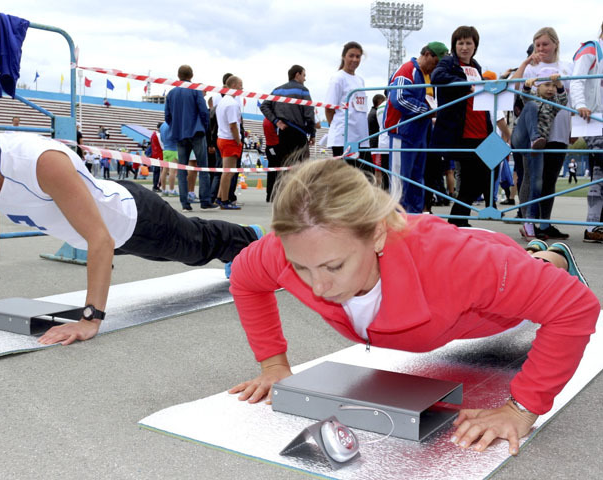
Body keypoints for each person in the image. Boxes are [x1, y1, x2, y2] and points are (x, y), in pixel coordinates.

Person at [227, 158, 598, 456]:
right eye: (300, 268)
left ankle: (551, 256)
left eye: (333, 267)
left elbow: (575, 308)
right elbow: (244, 280)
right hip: (461, 270)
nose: (318, 287)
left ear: (376, 233)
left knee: (534, 276)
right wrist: (273, 365)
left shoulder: (458, 263)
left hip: (488, 266)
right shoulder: (287, 247)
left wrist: (520, 409)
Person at [0, 101, 263, 346]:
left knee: (198, 248)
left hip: (134, 220)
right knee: (195, 243)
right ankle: (246, 244)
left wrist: (90, 318)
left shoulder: (39, 161)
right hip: (109, 233)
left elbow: (100, 239)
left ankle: (253, 241)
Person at [511, 27, 572, 240]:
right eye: (537, 45)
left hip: (559, 130)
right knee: (532, 178)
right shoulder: (531, 68)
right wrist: (526, 62)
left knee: (550, 180)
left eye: (545, 44)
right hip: (532, 134)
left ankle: (544, 224)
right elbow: (516, 89)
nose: (541, 48)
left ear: (555, 44)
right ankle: (528, 223)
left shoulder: (567, 67)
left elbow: (568, 99)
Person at [431, 26, 494, 227]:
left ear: (475, 46)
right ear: (454, 45)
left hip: (482, 129)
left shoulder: (476, 66)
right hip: (462, 131)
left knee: (488, 169)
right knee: (470, 177)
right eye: (460, 43)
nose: (464, 47)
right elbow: (437, 77)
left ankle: (460, 217)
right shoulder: (449, 62)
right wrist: (466, 84)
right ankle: (458, 219)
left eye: (469, 43)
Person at [385, 41, 448, 213]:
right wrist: (426, 110)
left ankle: (413, 218)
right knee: (399, 180)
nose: (436, 68)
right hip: (402, 133)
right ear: (427, 54)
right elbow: (398, 98)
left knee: (416, 179)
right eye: (436, 63)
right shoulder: (407, 70)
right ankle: (395, 221)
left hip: (420, 134)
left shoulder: (427, 76)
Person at [164, 65, 217, 211]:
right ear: (191, 75)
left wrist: (176, 126)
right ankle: (205, 201)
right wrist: (204, 127)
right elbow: (203, 111)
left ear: (178, 75)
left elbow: (167, 116)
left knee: (182, 168)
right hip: (196, 132)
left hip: (180, 134)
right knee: (202, 167)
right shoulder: (195, 90)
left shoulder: (172, 93)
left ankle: (184, 203)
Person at [259, 64, 315, 194]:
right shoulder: (303, 90)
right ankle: (297, 194)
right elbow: (309, 114)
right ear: (297, 74)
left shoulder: (277, 90)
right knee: (301, 166)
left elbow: (264, 106)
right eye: (304, 75)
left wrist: (276, 121)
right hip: (298, 133)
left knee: (284, 166)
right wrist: (312, 133)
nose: (305, 79)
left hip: (283, 133)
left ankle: (283, 194)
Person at [570, 21, 603, 243]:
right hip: (594, 119)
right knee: (599, 172)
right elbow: (577, 79)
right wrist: (580, 105)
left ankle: (595, 225)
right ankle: (593, 225)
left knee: (600, 173)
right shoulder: (592, 47)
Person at [324, 41, 371, 173]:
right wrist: (338, 128)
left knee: (366, 177)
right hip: (343, 139)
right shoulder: (338, 78)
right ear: (344, 56)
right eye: (351, 56)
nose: (355, 59)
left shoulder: (360, 80)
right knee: (344, 179)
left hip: (361, 138)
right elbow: (329, 108)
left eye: (358, 56)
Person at [215, 75, 244, 210]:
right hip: (229, 139)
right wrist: (238, 141)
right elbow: (233, 125)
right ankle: (224, 200)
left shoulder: (223, 101)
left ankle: (220, 197)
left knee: (225, 171)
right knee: (228, 172)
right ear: (233, 86)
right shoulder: (232, 103)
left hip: (222, 137)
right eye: (240, 85)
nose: (242, 88)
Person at [262, 116, 280, 202]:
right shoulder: (274, 120)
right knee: (276, 173)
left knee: (272, 173)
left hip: (269, 146)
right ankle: (272, 194)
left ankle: (269, 194)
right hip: (274, 146)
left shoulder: (266, 119)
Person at [159, 121, 178, 196]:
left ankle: (163, 190)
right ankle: (172, 190)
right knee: (172, 171)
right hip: (173, 149)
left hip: (166, 149)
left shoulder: (162, 125)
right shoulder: (173, 124)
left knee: (164, 170)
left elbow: (161, 139)